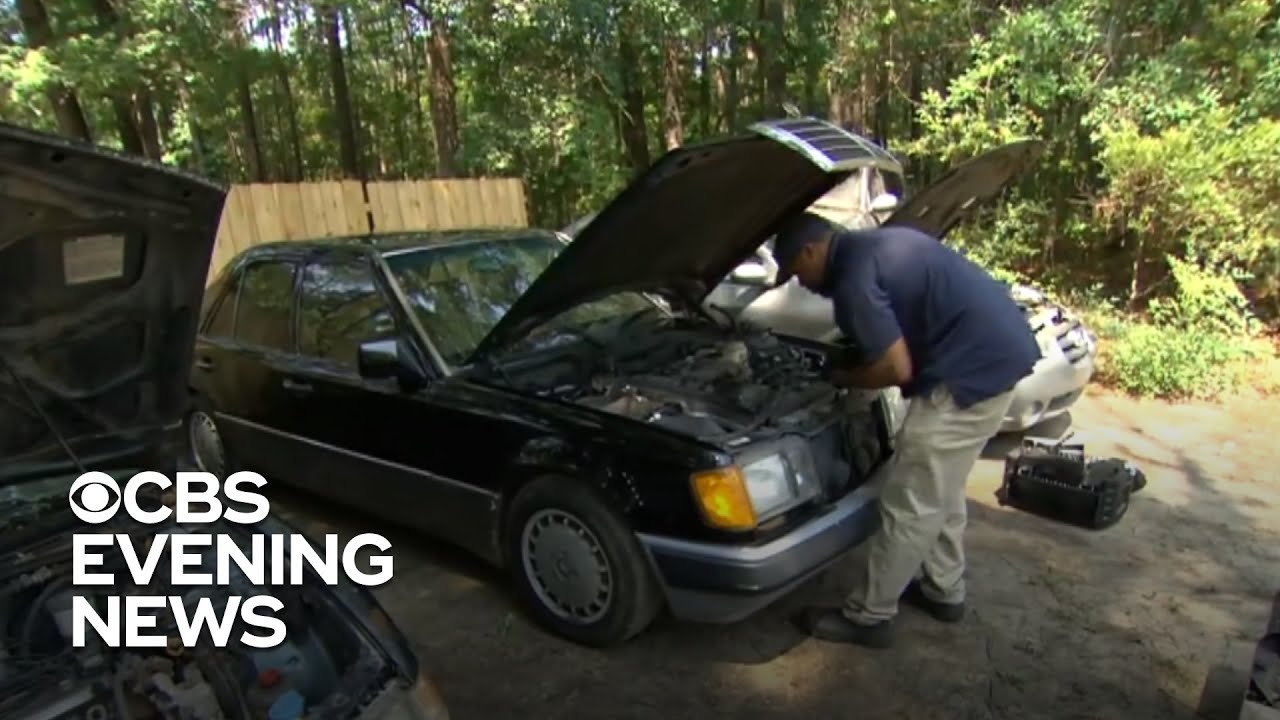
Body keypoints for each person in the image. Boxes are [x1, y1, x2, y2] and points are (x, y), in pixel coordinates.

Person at [770, 211, 1040, 650]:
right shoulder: (879, 245)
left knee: (909, 502)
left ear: (811, 250)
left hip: (968, 377)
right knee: (941, 486)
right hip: (999, 359)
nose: (798, 283)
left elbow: (895, 368)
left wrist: (843, 379)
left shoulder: (854, 279)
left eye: (796, 271)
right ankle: (943, 590)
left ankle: (869, 616)